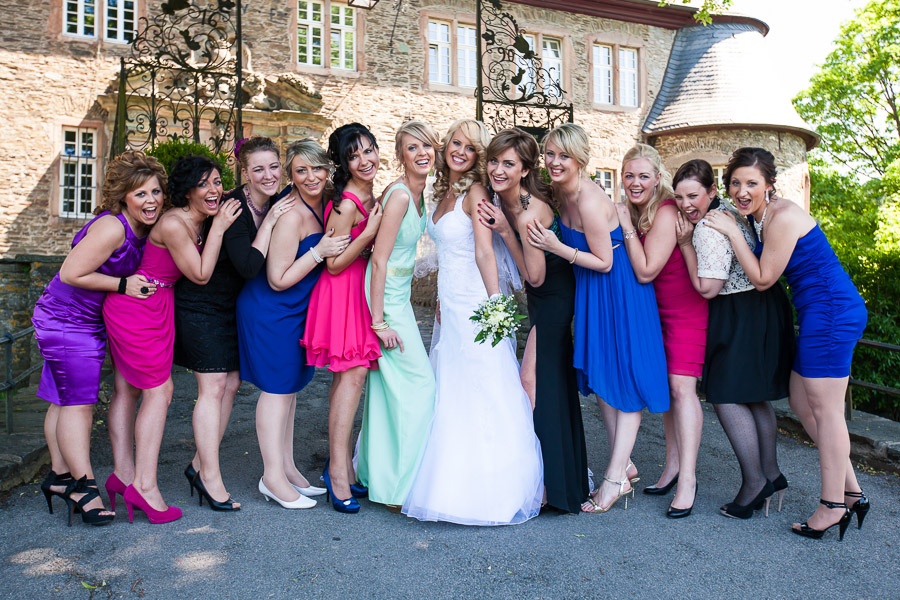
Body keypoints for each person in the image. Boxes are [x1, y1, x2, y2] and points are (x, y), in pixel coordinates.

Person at [705, 147, 868, 541]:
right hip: (818, 313)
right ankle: (852, 492)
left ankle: (832, 505)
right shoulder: (761, 216)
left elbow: (763, 278)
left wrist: (731, 231)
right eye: (735, 183)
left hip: (831, 313)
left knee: (827, 413)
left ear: (769, 184)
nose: (742, 191)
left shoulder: (781, 217)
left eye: (752, 183)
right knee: (801, 402)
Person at [402, 119, 543, 526]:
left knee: (486, 385)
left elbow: (483, 251)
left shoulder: (477, 192)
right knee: (453, 387)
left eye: (469, 147)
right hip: (450, 304)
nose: (460, 151)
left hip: (476, 304)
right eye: (456, 143)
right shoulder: (443, 191)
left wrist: (495, 303)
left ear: (478, 154)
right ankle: (452, 478)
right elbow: (447, 255)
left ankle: (495, 487)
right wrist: (441, 296)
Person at [528, 123, 669, 514]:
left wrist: (556, 246)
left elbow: (605, 261)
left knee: (625, 377)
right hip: (591, 290)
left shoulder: (589, 199)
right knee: (602, 374)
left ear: (580, 160)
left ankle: (614, 478)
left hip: (619, 289)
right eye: (550, 154)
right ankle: (625, 463)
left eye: (564, 156)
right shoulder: (559, 192)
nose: (555, 162)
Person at [103, 157, 241, 524]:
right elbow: (200, 274)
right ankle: (144, 486)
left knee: (127, 388)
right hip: (137, 307)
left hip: (157, 305)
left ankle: (123, 476)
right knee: (160, 392)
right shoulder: (175, 224)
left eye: (217, 182)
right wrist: (219, 227)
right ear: (187, 191)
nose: (214, 190)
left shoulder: (196, 217)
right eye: (203, 184)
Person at [32, 151, 165, 526]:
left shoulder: (144, 226)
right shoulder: (113, 228)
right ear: (124, 196)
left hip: (83, 319)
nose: (151, 201)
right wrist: (124, 285)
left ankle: (59, 477)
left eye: (156, 191)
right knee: (79, 404)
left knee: (62, 399)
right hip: (65, 319)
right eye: (140, 194)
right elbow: (71, 273)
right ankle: (84, 488)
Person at [173, 138, 296, 512]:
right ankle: (210, 477)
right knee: (212, 387)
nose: (268, 175)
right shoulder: (233, 207)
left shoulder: (276, 199)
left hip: (232, 308)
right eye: (258, 169)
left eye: (273, 166)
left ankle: (199, 465)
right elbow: (248, 266)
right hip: (202, 305)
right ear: (245, 173)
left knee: (230, 384)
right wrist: (270, 222)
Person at [673, 158, 793, 520]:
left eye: (693, 196)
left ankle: (755, 482)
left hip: (739, 311)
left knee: (725, 395)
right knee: (752, 396)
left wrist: (685, 245)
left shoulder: (709, 226)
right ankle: (771, 475)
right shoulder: (731, 210)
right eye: (679, 197)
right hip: (762, 307)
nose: (686, 205)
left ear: (711, 191)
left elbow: (707, 288)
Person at [478, 127, 588, 514]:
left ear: (525, 170)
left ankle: (547, 483)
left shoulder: (529, 213)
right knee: (550, 384)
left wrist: (506, 231)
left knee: (531, 380)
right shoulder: (500, 197)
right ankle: (558, 480)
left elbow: (535, 277)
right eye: (494, 161)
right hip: (541, 298)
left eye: (508, 164)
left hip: (555, 296)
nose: (498, 170)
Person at [239, 140, 349, 509]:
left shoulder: (325, 202)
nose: (310, 176)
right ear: (292, 175)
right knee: (276, 390)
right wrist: (319, 252)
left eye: (317, 168)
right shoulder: (290, 214)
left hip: (298, 310)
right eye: (301, 170)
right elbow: (277, 279)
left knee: (289, 389)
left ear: (327, 169)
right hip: (271, 309)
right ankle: (271, 477)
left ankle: (286, 468)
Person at [615, 144, 708, 518]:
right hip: (656, 312)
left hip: (685, 309)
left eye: (643, 176)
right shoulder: (642, 210)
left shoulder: (667, 211)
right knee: (669, 389)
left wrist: (625, 226)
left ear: (657, 178)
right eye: (629, 175)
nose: (635, 182)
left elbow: (646, 270)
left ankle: (689, 479)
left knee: (683, 389)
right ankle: (672, 466)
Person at [302, 123, 384, 513]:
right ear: (343, 163)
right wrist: (367, 235)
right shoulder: (347, 203)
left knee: (348, 379)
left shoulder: (369, 193)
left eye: (369, 150)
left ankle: (343, 467)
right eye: (354, 156)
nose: (365, 160)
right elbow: (333, 264)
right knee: (353, 376)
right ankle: (337, 472)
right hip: (342, 291)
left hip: (358, 289)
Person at [357, 121, 439, 509]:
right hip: (386, 299)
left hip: (399, 296)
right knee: (421, 387)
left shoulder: (420, 194)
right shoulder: (401, 196)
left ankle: (377, 476)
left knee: (387, 390)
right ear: (400, 155)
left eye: (426, 145)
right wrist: (379, 321)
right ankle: (398, 488)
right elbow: (380, 259)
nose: (421, 153)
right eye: (412, 147)